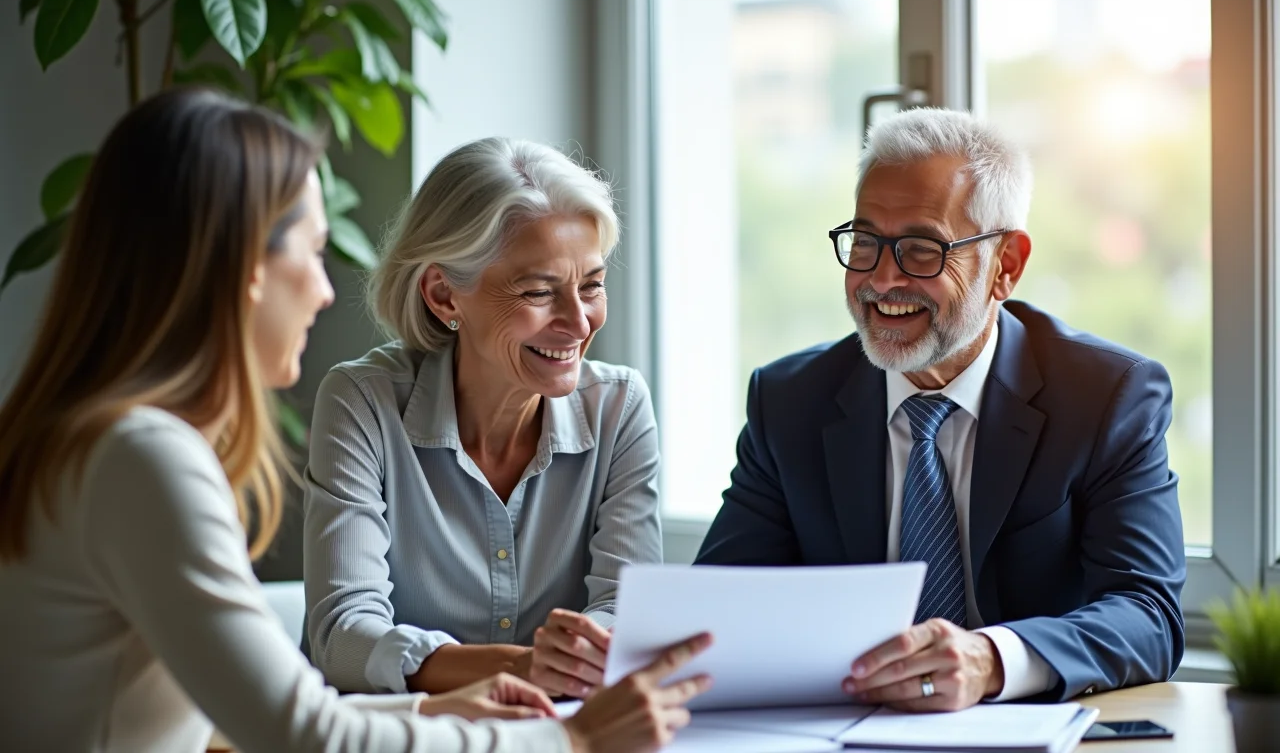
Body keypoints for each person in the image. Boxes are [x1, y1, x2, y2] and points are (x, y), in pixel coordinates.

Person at [0, 88, 710, 753]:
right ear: (248, 269)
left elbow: (271, 720)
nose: (324, 289)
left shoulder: (95, 443)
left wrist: (433, 709)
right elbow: (305, 734)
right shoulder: (143, 458)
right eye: (311, 253)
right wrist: (567, 740)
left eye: (591, 284)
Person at [695, 108, 1185, 711]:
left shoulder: (1107, 396)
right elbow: (718, 607)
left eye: (922, 250)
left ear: (1006, 265)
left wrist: (991, 660)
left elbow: (1148, 612)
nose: (881, 278)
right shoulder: (790, 400)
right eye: (867, 242)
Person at [303, 137, 659, 701]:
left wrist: (580, 657)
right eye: (539, 291)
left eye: (591, 285)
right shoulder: (362, 402)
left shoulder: (619, 407)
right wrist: (523, 668)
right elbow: (342, 637)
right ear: (445, 295)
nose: (578, 321)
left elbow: (627, 612)